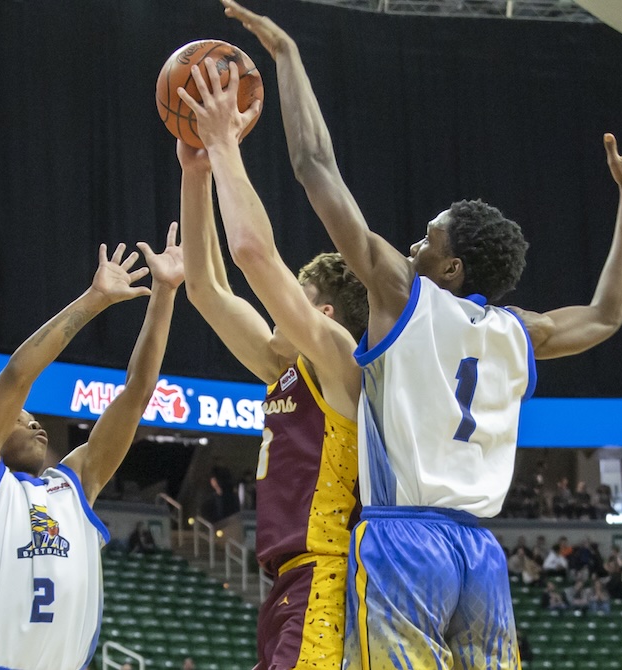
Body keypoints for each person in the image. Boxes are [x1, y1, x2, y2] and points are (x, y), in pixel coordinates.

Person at [221, 2, 622, 665]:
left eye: (427, 239)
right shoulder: (520, 332)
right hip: (481, 558)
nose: (412, 245)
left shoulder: (402, 297)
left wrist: (288, 57)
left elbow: (315, 167)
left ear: (452, 267)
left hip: (405, 542)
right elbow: (606, 314)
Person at [175, 59, 366, 667]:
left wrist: (227, 142)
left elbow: (253, 254)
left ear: (327, 314)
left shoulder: (341, 366)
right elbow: (207, 289)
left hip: (327, 576)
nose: (276, 305)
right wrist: (196, 172)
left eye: (296, 298)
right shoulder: (283, 368)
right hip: (288, 587)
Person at [0, 236, 182, 670]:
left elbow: (137, 392)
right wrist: (94, 300)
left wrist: (164, 293)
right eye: (19, 419)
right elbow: (16, 377)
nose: (35, 423)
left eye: (33, 418)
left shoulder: (73, 484)